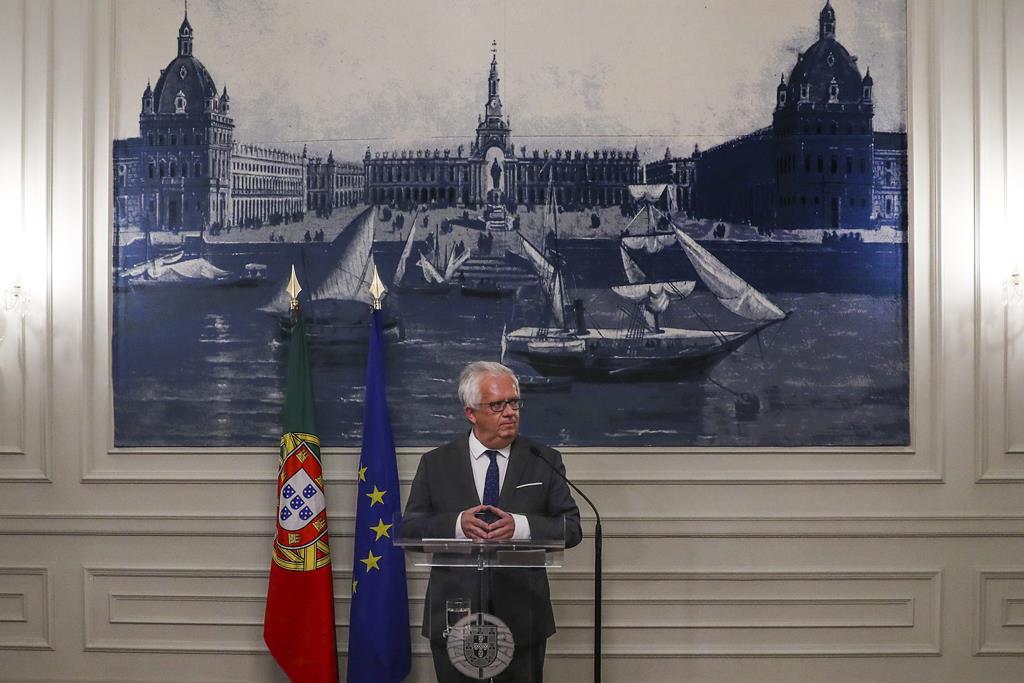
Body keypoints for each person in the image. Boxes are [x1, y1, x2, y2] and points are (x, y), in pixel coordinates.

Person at [402, 361, 582, 682]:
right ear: (471, 412)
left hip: (522, 616)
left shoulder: (544, 460)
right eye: (497, 405)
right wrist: (457, 525)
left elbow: (572, 528)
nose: (510, 412)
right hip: (455, 614)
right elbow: (411, 530)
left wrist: (521, 526)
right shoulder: (436, 463)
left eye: (514, 402)